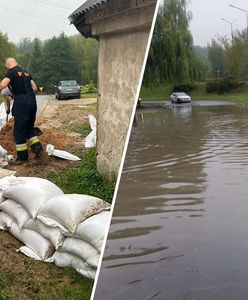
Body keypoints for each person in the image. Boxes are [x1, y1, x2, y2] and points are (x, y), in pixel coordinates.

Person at [0, 58, 43, 165]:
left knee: (19, 131)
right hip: (32, 102)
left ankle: (22, 158)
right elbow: (34, 87)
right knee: (29, 128)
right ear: (17, 63)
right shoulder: (26, 73)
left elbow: (3, 84)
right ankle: (39, 151)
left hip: (22, 103)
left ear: (7, 65)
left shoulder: (11, 71)